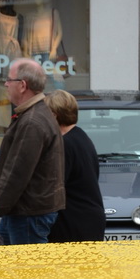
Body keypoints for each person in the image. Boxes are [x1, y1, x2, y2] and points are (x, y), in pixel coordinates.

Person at [0, 60, 64, 245]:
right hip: (21, 210)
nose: (6, 84)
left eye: (9, 79)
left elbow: (17, 172)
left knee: (27, 271)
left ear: (22, 85)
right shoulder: (32, 113)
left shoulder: (32, 121)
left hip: (29, 214)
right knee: (0, 261)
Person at [46, 90, 105, 243]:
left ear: (54, 115)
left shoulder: (65, 144)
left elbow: (54, 186)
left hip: (74, 223)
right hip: (88, 219)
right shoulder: (80, 136)